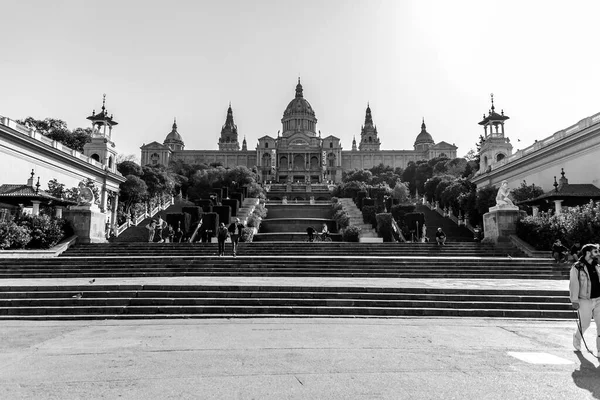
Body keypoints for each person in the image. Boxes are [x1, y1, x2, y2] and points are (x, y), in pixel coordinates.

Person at [569, 243, 600, 352]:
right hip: (584, 300)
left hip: (598, 299)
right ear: (588, 253)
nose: (598, 253)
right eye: (595, 251)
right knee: (585, 323)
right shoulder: (577, 267)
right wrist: (574, 300)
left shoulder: (597, 266)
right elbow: (574, 284)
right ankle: (577, 337)